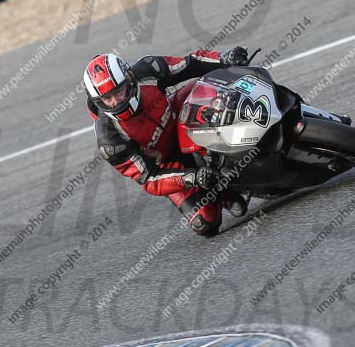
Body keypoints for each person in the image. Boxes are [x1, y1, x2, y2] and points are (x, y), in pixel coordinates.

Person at [84, 48, 252, 236]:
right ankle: (222, 193)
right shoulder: (110, 139)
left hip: (180, 118)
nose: (116, 102)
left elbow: (190, 64)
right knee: (205, 223)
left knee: (214, 88)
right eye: (107, 98)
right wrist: (193, 177)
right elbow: (149, 178)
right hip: (167, 166)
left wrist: (223, 58)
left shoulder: (147, 70)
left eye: (119, 91)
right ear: (98, 101)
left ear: (129, 80)